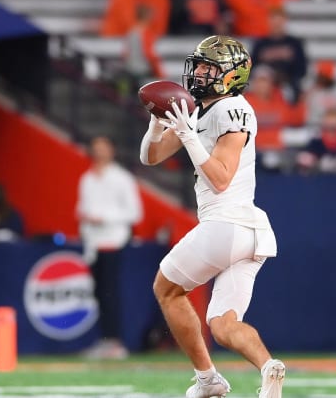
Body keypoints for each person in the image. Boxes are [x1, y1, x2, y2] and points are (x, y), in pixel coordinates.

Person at [139, 35, 284, 398]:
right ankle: (269, 369)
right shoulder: (201, 110)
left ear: (232, 75)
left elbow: (221, 179)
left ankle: (208, 380)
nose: (200, 73)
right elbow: (151, 157)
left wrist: (189, 138)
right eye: (199, 65)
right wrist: (157, 126)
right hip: (249, 232)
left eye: (209, 67)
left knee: (166, 289)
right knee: (222, 324)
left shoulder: (233, 108)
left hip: (227, 222)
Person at [77, 136, 143, 359]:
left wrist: (103, 218)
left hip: (113, 242)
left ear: (112, 151)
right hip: (94, 245)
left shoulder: (122, 179)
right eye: (96, 149)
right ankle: (105, 340)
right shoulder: (87, 179)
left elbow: (135, 213)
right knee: (99, 294)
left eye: (103, 148)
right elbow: (83, 209)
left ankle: (116, 342)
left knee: (111, 293)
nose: (99, 153)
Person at [251, 5, 308, 104]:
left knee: (291, 93)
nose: (276, 23)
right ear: (269, 21)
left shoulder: (294, 43)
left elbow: (302, 69)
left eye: (279, 19)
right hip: (264, 83)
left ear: (285, 21)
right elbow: (252, 67)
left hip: (287, 82)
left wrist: (287, 78)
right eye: (273, 19)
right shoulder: (260, 43)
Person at [295, 107, 336, 174]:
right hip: (320, 178)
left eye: (335, 120)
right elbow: (308, 160)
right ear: (324, 121)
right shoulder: (316, 141)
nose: (332, 123)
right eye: (329, 119)